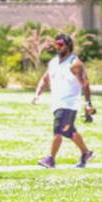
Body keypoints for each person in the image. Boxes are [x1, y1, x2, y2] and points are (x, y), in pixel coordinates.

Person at [32, 33, 95, 169]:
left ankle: (51, 159)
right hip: (57, 103)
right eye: (56, 44)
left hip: (69, 104)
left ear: (68, 46)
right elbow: (45, 79)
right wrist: (38, 94)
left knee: (58, 129)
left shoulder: (75, 64)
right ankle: (86, 153)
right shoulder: (53, 62)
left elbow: (85, 84)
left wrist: (88, 103)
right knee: (68, 131)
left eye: (60, 44)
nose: (57, 47)